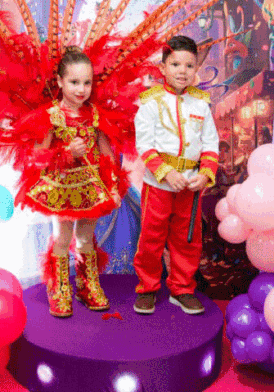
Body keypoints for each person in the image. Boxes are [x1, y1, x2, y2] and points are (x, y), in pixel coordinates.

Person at [26, 46, 129, 318]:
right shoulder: (52, 115)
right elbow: (38, 156)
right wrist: (65, 153)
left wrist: (113, 186)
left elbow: (107, 155)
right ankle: (59, 289)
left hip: (91, 187)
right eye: (74, 82)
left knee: (85, 237)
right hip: (61, 187)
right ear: (60, 82)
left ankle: (87, 285)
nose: (81, 89)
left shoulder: (95, 115)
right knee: (62, 237)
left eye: (87, 82)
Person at [133, 35, 220, 315]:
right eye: (175, 64)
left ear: (196, 69)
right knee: (151, 238)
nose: (182, 71)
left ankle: (182, 289)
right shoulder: (150, 101)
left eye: (189, 65)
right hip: (158, 185)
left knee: (187, 240)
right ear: (163, 67)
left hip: (190, 187)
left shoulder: (201, 104)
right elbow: (144, 145)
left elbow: (211, 144)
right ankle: (147, 287)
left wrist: (205, 174)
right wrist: (165, 172)